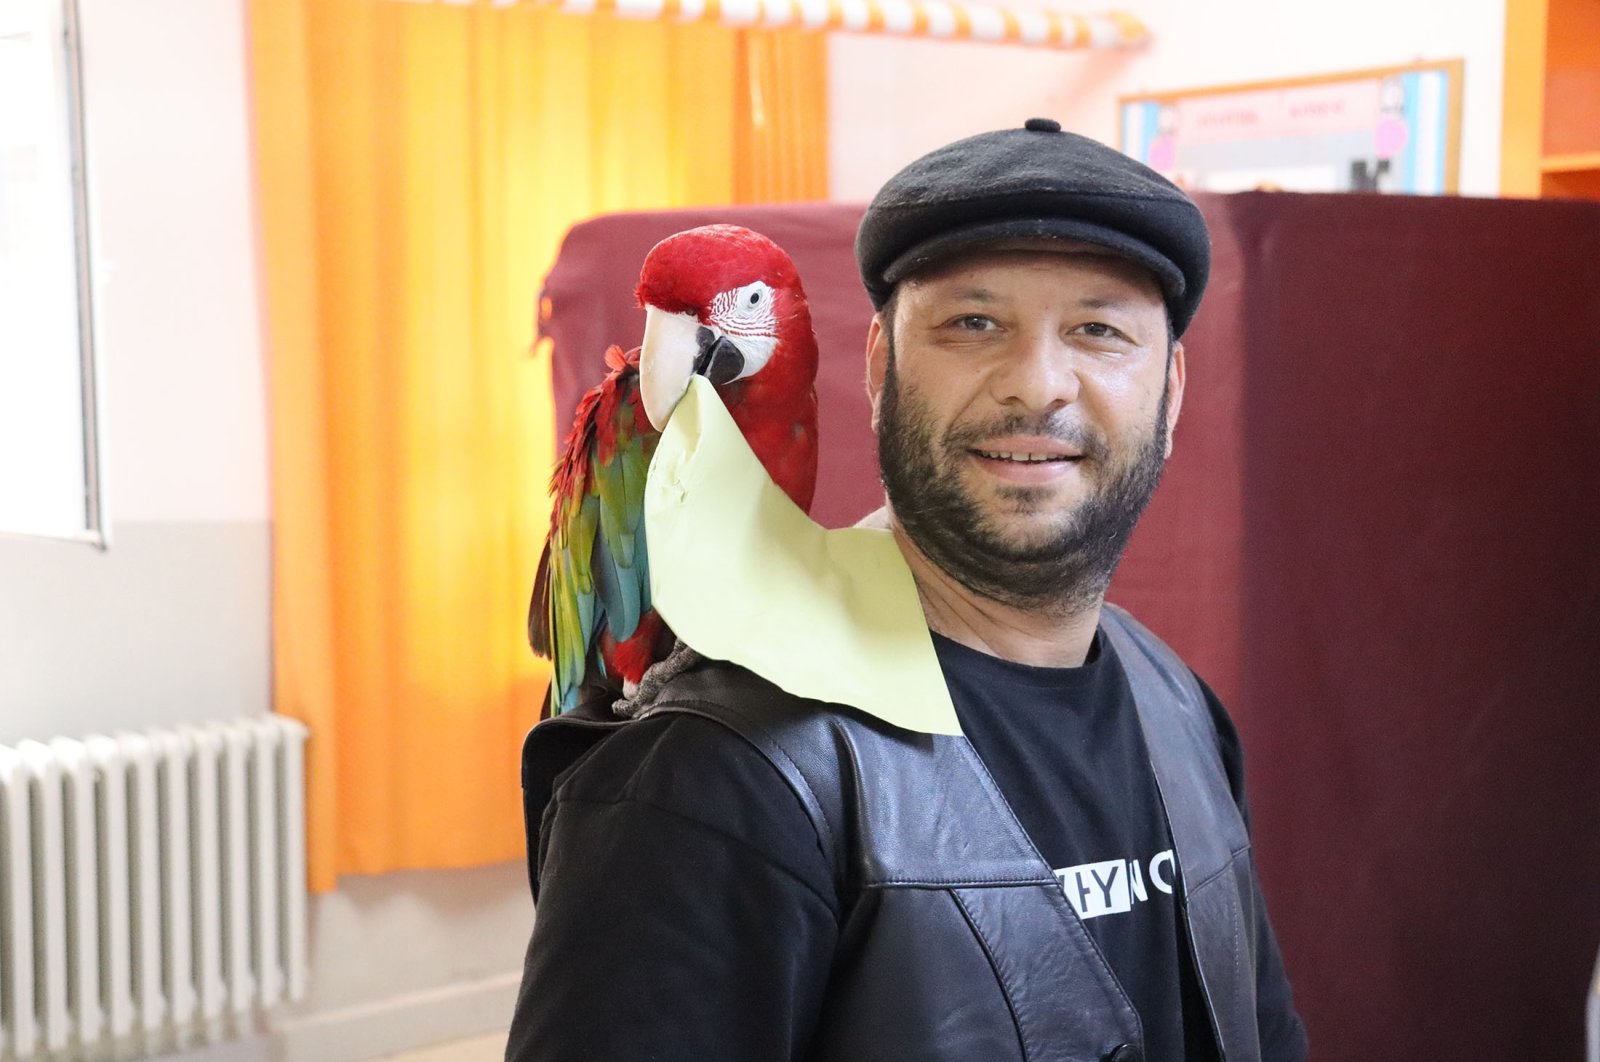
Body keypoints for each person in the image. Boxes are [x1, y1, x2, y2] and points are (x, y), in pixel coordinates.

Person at [505, 119, 1307, 1062]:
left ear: (1170, 395)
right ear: (880, 370)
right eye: (974, 323)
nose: (1038, 384)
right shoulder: (710, 778)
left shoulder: (1182, 708)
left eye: (1098, 329)